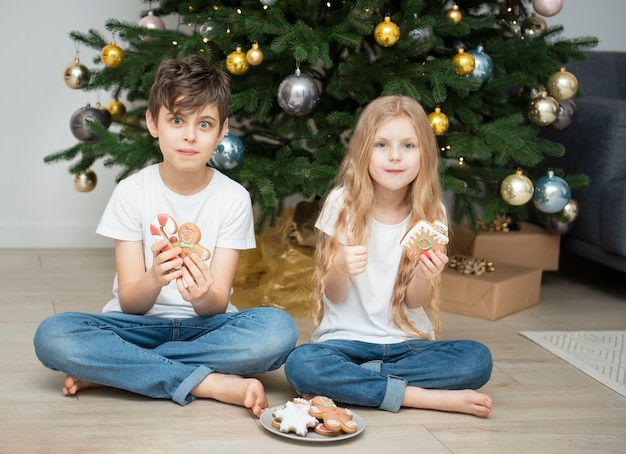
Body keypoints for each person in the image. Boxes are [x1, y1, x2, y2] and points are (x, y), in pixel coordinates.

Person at [34, 55, 298, 418]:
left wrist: (204, 295)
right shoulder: (131, 192)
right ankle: (206, 382)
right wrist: (155, 277)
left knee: (278, 331)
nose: (189, 135)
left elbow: (217, 304)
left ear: (221, 132)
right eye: (176, 120)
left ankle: (120, 371)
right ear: (153, 122)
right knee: (53, 335)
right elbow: (130, 303)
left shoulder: (233, 198)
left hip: (207, 329)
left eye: (204, 124)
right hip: (136, 327)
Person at [284, 95, 493, 417]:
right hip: (345, 344)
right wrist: (339, 266)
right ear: (363, 151)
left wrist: (425, 276)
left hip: (408, 346)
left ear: (424, 152)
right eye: (382, 145)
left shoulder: (430, 211)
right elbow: (334, 294)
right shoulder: (342, 203)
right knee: (302, 364)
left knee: (477, 360)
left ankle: (356, 385)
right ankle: (420, 397)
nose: (395, 157)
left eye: (408, 146)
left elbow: (414, 302)